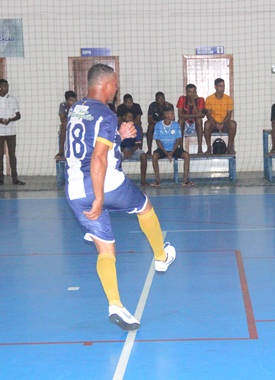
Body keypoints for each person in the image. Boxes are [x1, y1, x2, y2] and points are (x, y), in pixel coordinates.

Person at [64, 64, 176, 331]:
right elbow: (98, 158)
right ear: (105, 85)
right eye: (115, 83)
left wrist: (118, 135)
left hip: (74, 190)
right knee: (144, 206)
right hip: (103, 183)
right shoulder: (106, 113)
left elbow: (90, 140)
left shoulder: (76, 109)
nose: (117, 87)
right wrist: (100, 198)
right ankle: (161, 256)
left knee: (105, 251)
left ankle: (115, 305)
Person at [0, 79, 25, 185]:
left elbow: (18, 115)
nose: (6, 88)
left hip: (11, 131)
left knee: (12, 154)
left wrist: (10, 120)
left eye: (7, 86)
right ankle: (1, 179)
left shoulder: (12, 99)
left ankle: (15, 178)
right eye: (4, 86)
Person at [152, 106, 194, 187]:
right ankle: (157, 181)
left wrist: (171, 152)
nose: (174, 116)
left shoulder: (176, 125)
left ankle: (185, 180)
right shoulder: (158, 125)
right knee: (154, 156)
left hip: (173, 148)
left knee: (186, 155)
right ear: (166, 115)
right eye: (172, 114)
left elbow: (178, 141)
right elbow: (158, 141)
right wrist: (166, 153)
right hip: (162, 149)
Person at [204, 78, 237, 154]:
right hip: (213, 123)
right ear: (215, 87)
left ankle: (229, 147)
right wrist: (216, 124)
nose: (222, 88)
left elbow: (229, 115)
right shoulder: (209, 99)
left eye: (223, 86)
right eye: (220, 86)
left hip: (224, 123)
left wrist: (222, 123)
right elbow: (208, 115)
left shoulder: (228, 99)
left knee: (233, 123)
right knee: (206, 124)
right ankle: (209, 148)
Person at [119, 110, 149, 187]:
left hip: (133, 149)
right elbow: (116, 143)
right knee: (117, 157)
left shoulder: (136, 128)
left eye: (131, 117)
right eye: (128, 116)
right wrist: (124, 151)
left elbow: (137, 143)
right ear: (124, 117)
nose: (130, 118)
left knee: (143, 155)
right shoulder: (119, 127)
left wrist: (131, 151)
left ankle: (143, 180)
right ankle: (120, 181)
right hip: (122, 149)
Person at [177, 84, 206, 154]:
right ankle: (181, 147)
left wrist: (193, 102)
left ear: (196, 92)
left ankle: (199, 148)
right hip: (185, 124)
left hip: (195, 124)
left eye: (193, 92)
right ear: (186, 92)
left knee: (199, 120)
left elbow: (202, 115)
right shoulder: (182, 99)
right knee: (180, 121)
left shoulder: (201, 100)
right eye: (189, 92)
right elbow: (180, 115)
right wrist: (194, 115)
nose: (191, 94)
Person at [55, 90, 77, 159]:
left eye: (74, 100)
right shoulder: (63, 105)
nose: (73, 102)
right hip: (66, 128)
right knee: (63, 127)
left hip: (75, 127)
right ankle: (61, 152)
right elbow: (62, 120)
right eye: (71, 100)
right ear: (66, 100)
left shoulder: (78, 106)